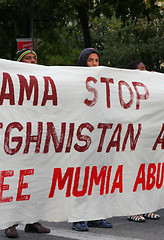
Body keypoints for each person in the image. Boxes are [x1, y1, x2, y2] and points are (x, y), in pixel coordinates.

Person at [4, 48, 51, 238]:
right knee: (16, 181)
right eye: (27, 59)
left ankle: (33, 221)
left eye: (34, 58)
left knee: (36, 180)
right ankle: (9, 223)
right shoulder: (11, 80)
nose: (32, 61)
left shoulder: (42, 81)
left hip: (36, 137)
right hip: (17, 138)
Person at [71, 48, 113, 231]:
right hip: (82, 137)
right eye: (90, 60)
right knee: (81, 178)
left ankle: (96, 216)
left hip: (100, 137)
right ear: (83, 62)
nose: (94, 64)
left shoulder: (104, 84)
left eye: (97, 60)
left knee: (99, 177)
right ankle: (78, 218)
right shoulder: (74, 81)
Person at [125, 60, 161, 222]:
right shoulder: (125, 89)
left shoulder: (150, 88)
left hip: (148, 136)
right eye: (141, 69)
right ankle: (132, 209)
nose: (144, 71)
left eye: (145, 68)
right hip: (133, 136)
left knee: (148, 172)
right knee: (134, 172)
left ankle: (146, 208)